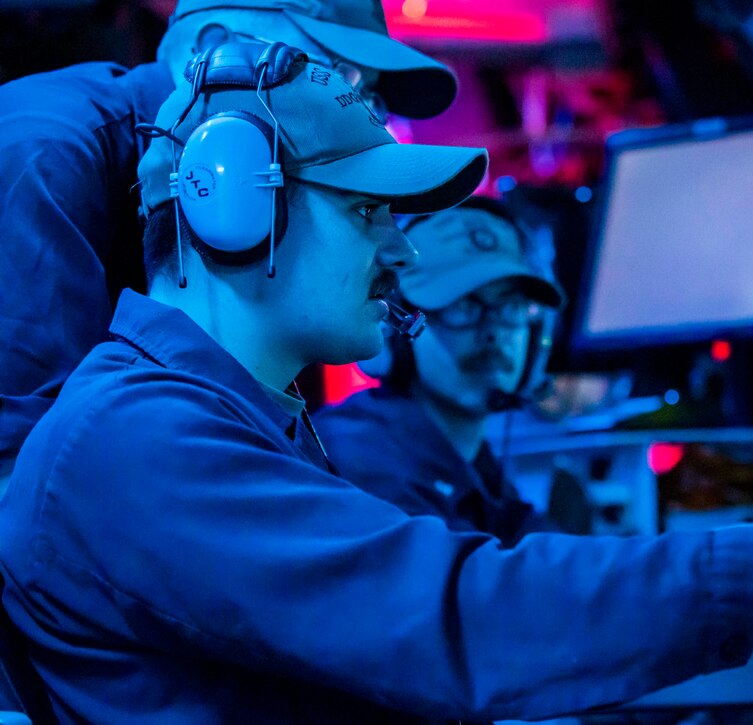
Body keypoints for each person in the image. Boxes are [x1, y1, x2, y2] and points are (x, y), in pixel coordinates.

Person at [0, 46, 753, 723]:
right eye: (368, 213)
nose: (400, 259)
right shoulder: (138, 443)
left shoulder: (227, 420)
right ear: (232, 209)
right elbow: (455, 615)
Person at [0, 0, 456, 483]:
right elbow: (23, 476)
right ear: (213, 49)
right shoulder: (46, 154)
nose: (355, 115)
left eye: (366, 98)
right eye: (332, 76)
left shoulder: (225, 206)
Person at [313, 197, 583, 546]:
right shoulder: (360, 459)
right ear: (395, 327)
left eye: (510, 305)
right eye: (462, 305)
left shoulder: (476, 467)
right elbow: (478, 586)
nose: (492, 331)